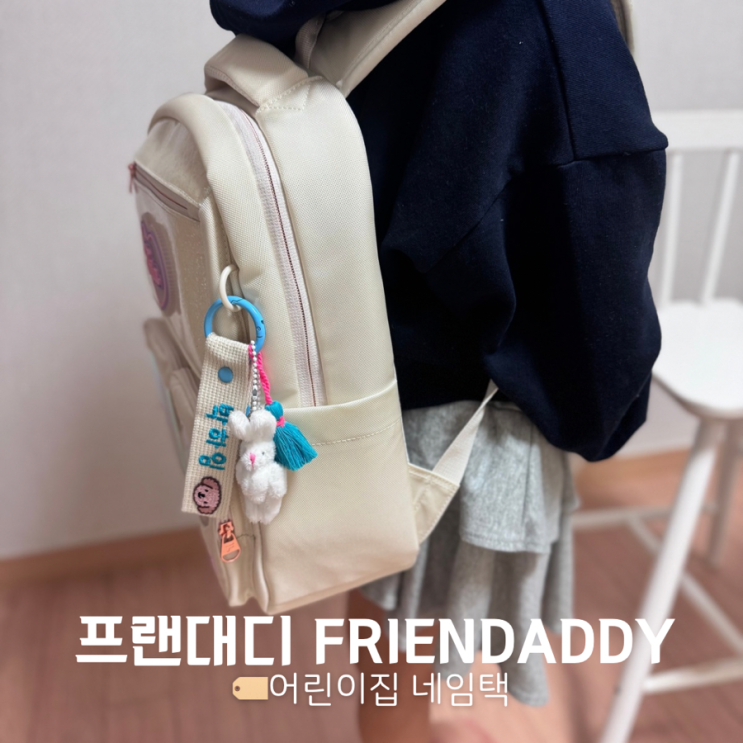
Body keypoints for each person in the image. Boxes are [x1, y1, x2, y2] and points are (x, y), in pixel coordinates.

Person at [210, 1, 667, 740]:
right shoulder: (545, 20)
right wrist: (601, 413)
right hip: (462, 420)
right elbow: (591, 280)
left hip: (341, 380)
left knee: (387, 634)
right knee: (410, 642)